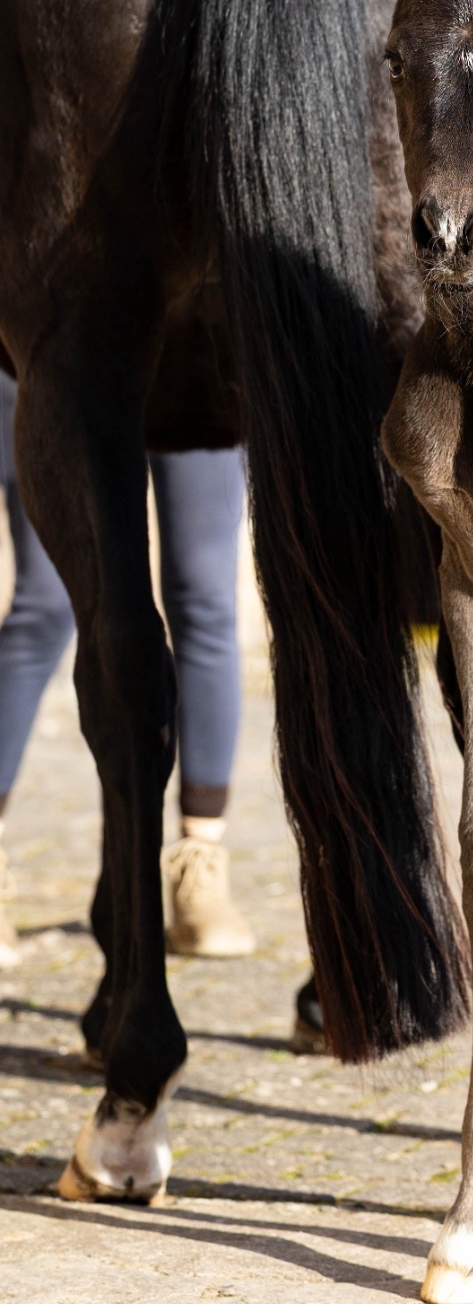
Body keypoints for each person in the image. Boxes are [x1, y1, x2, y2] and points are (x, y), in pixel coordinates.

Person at [0, 370, 253, 964]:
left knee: (204, 596)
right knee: (44, 601)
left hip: (189, 340)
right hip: (52, 330)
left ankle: (201, 861)